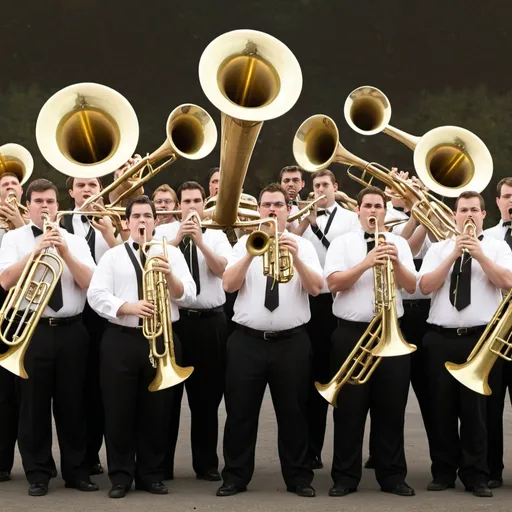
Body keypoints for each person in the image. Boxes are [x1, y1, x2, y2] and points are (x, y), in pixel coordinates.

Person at [217, 183, 323, 498]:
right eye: (267, 205)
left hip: (291, 343)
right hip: (247, 342)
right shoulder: (244, 244)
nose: (273, 210)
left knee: (293, 413)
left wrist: (297, 258)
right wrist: (250, 253)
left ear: (288, 211)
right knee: (240, 412)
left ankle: (298, 477)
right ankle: (235, 477)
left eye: (279, 205)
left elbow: (316, 288)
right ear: (259, 210)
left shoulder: (303, 246)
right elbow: (228, 285)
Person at [87, 195, 196, 499]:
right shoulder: (113, 257)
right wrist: (127, 307)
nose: (143, 222)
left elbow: (189, 295)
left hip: (161, 337)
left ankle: (151, 474)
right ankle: (121, 476)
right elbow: (96, 295)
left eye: (148, 216)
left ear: (156, 220)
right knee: (118, 410)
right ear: (126, 222)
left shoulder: (170, 254)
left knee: (157, 411)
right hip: (121, 340)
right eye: (136, 217)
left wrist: (169, 275)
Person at [0, 178, 98, 497]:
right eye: (39, 201)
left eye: (50, 201)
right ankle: (38, 473)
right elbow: (4, 281)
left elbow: (90, 284)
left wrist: (65, 252)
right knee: (33, 406)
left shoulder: (75, 240)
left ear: (59, 205)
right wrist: (35, 251)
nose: (45, 207)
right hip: (32, 330)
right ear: (28, 206)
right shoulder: (14, 239)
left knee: (74, 404)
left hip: (72, 331)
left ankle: (77, 471)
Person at [324, 185, 417, 497]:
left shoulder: (400, 243)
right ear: (358, 211)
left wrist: (396, 262)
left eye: (379, 206)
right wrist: (367, 263)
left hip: (391, 333)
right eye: (368, 206)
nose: (374, 211)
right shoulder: (342, 243)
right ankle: (345, 477)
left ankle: (392, 476)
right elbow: (333, 283)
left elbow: (412, 286)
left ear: (384, 211)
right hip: (352, 333)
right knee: (349, 410)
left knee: (391, 409)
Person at [419, 190, 512, 498]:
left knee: (478, 412)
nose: (469, 215)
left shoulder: (497, 247)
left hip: (482, 338)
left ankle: (477, 475)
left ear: (484, 215)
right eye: (463, 210)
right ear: (454, 215)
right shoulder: (439, 247)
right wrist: (453, 254)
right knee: (440, 409)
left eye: (474, 210)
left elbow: (506, 282)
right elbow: (424, 286)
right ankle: (443, 471)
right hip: (441, 337)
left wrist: (480, 255)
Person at [156, 181, 231, 482]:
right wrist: (177, 239)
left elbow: (222, 269)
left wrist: (200, 242)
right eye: (185, 201)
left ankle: (206, 464)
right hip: (174, 322)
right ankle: (162, 465)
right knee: (167, 398)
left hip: (209, 322)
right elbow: (152, 263)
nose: (191, 207)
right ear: (178, 204)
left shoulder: (216, 234)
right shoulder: (162, 234)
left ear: (204, 204)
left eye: (196, 200)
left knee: (206, 398)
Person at [60, 176, 122, 477]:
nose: (88, 190)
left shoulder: (113, 221)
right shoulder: (59, 224)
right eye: (81, 185)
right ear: (70, 191)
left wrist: (110, 233)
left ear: (101, 189)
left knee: (100, 389)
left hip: (103, 317)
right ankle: (75, 457)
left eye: (93, 185)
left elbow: (130, 261)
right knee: (73, 388)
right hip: (72, 313)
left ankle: (92, 455)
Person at [295, 169, 357, 470]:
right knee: (310, 379)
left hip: (336, 299)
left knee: (335, 378)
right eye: (316, 185)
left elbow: (346, 255)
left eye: (325, 185)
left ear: (335, 187)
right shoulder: (301, 217)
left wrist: (314, 226)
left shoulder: (349, 219)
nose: (320, 190)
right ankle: (311, 449)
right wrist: (304, 223)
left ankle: (347, 456)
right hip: (308, 300)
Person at [483, 177, 512, 488]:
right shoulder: (487, 238)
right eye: (506, 196)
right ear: (498, 202)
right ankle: (492, 471)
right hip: (495, 331)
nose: (511, 201)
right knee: (491, 406)